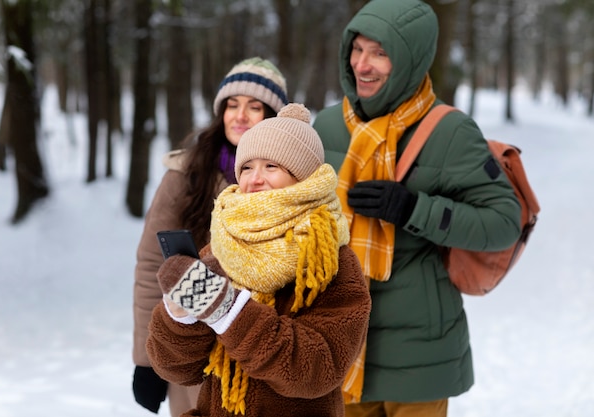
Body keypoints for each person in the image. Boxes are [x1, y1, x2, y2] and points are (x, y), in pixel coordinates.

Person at [312, 0, 523, 416]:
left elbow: (503, 223)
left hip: (420, 354)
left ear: (412, 58)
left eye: (381, 52)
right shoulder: (327, 125)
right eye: (357, 49)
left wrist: (413, 210)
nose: (363, 64)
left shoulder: (450, 132)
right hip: (340, 339)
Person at [145, 103, 372, 417]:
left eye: (271, 167)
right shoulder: (223, 246)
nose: (255, 179)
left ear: (303, 177)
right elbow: (176, 369)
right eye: (247, 167)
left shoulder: (329, 258)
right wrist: (181, 316)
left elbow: (317, 369)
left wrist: (227, 311)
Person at [132, 57, 289, 416]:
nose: (240, 116)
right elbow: (152, 267)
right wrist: (147, 360)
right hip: (195, 348)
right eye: (232, 105)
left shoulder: (292, 182)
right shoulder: (185, 175)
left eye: (254, 106)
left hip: (264, 346)